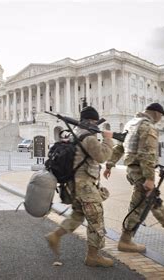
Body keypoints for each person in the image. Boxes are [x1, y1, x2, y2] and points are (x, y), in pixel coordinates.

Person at [103, 103, 164, 253]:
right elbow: (147, 154)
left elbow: (120, 146)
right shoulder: (147, 126)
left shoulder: (131, 123)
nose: (160, 120)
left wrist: (109, 164)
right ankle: (125, 241)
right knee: (137, 207)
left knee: (153, 201)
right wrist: (149, 178)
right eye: (161, 116)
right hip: (141, 172)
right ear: (157, 113)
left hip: (133, 169)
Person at [45, 106, 115, 267]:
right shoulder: (89, 138)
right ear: (93, 120)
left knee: (78, 215)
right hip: (85, 187)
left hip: (73, 185)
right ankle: (93, 256)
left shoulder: (75, 134)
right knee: (96, 219)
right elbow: (102, 156)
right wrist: (108, 139)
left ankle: (55, 236)